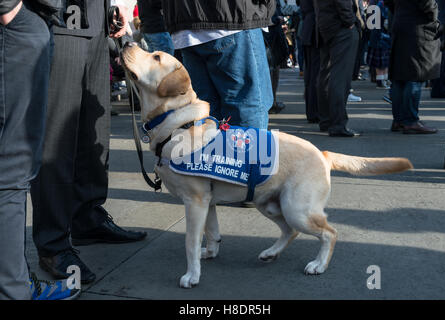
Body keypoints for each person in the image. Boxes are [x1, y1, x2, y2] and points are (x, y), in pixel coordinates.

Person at [30, 0, 147, 285]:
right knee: (56, 139)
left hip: (93, 17)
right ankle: (53, 243)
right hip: (58, 14)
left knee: (93, 127)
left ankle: (87, 218)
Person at [0, 0, 80, 300]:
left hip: (23, 21)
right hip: (17, 25)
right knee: (13, 167)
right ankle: (13, 291)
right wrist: (10, 8)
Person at [161, 0, 275, 130]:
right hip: (231, 18)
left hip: (185, 24)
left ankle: (217, 149)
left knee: (206, 114)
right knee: (246, 106)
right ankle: (244, 150)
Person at [385, 0, 440, 134]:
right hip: (418, 28)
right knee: (416, 75)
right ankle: (410, 121)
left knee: (399, 77)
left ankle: (399, 120)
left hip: (400, 23)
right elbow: (428, 5)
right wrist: (435, 18)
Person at [314, 0, 361, 137]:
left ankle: (327, 120)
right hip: (340, 26)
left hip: (325, 25)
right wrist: (350, 21)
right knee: (340, 77)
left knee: (326, 75)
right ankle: (337, 124)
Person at [300, 0, 320, 123]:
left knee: (311, 75)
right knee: (315, 75)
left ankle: (312, 111)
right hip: (314, 30)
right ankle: (314, 112)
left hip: (308, 28)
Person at [366, 0, 391, 89]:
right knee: (382, 63)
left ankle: (382, 80)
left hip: (376, 35)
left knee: (382, 63)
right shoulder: (381, 4)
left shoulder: (373, 3)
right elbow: (387, 23)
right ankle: (381, 81)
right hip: (382, 36)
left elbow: (369, 24)